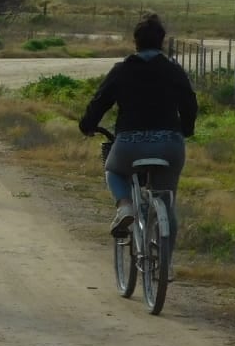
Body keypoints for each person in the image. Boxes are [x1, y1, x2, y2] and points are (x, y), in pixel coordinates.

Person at [77, 13, 198, 235]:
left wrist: (88, 125)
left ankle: (124, 207)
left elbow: (100, 101)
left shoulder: (122, 70)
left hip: (129, 144)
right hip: (169, 144)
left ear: (136, 41)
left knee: (113, 170)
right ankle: (164, 264)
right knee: (166, 202)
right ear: (161, 41)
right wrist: (186, 129)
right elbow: (189, 102)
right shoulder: (173, 70)